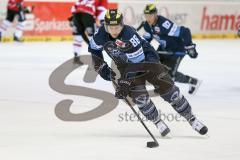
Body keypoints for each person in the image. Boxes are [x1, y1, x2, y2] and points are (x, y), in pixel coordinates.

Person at [88, 9, 208, 137]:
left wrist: (124, 82)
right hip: (125, 66)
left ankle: (192, 119)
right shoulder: (100, 35)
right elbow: (94, 50)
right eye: (110, 28)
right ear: (105, 26)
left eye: (117, 27)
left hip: (148, 61)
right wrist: (102, 68)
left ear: (122, 25)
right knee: (140, 98)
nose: (114, 31)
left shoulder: (129, 35)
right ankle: (157, 122)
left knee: (170, 92)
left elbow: (138, 63)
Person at [142, 4, 201, 94]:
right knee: (154, 68)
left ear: (155, 14)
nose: (148, 18)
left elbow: (185, 32)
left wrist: (189, 47)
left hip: (177, 49)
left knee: (169, 75)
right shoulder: (147, 25)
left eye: (150, 15)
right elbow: (147, 39)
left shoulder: (164, 24)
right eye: (146, 16)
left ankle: (193, 81)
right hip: (163, 48)